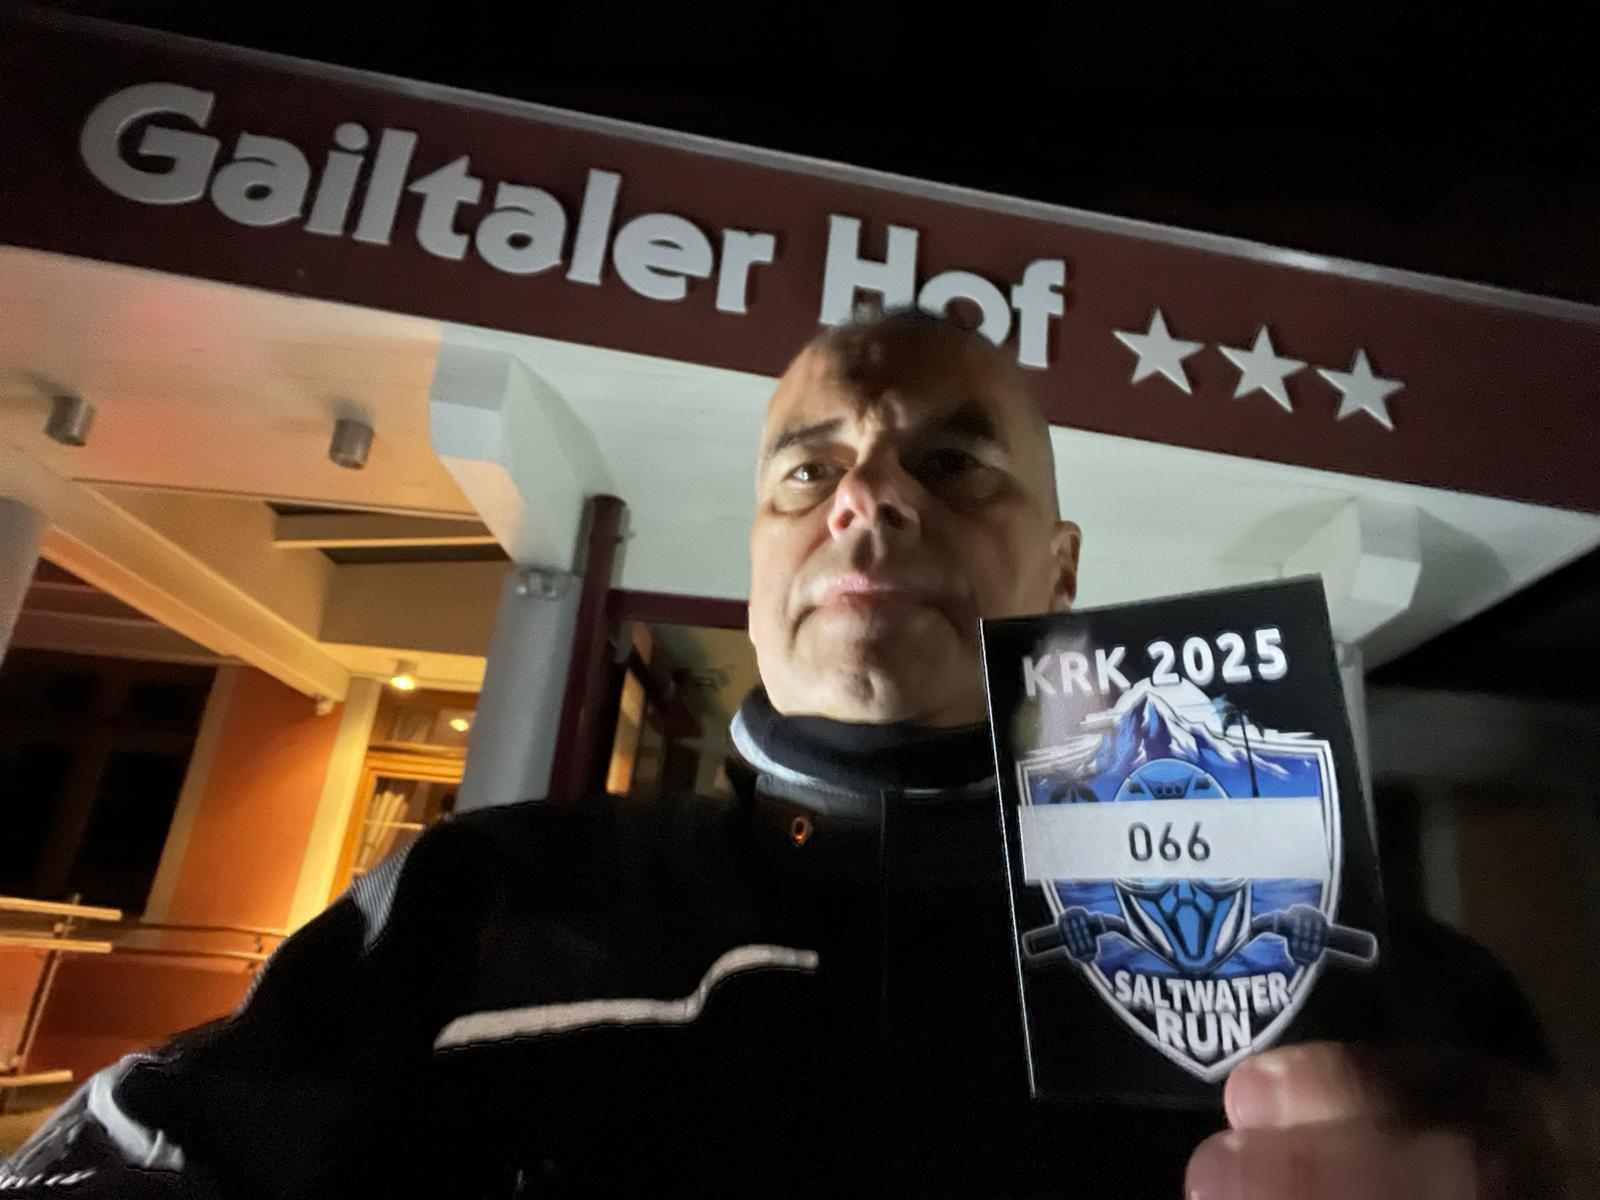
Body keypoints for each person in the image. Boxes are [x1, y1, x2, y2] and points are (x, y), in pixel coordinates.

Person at [1, 312, 1581, 1198]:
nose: (870, 500)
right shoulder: (478, 905)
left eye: (952, 462)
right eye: (807, 473)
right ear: (758, 568)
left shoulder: (1371, 996)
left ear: (1061, 570)